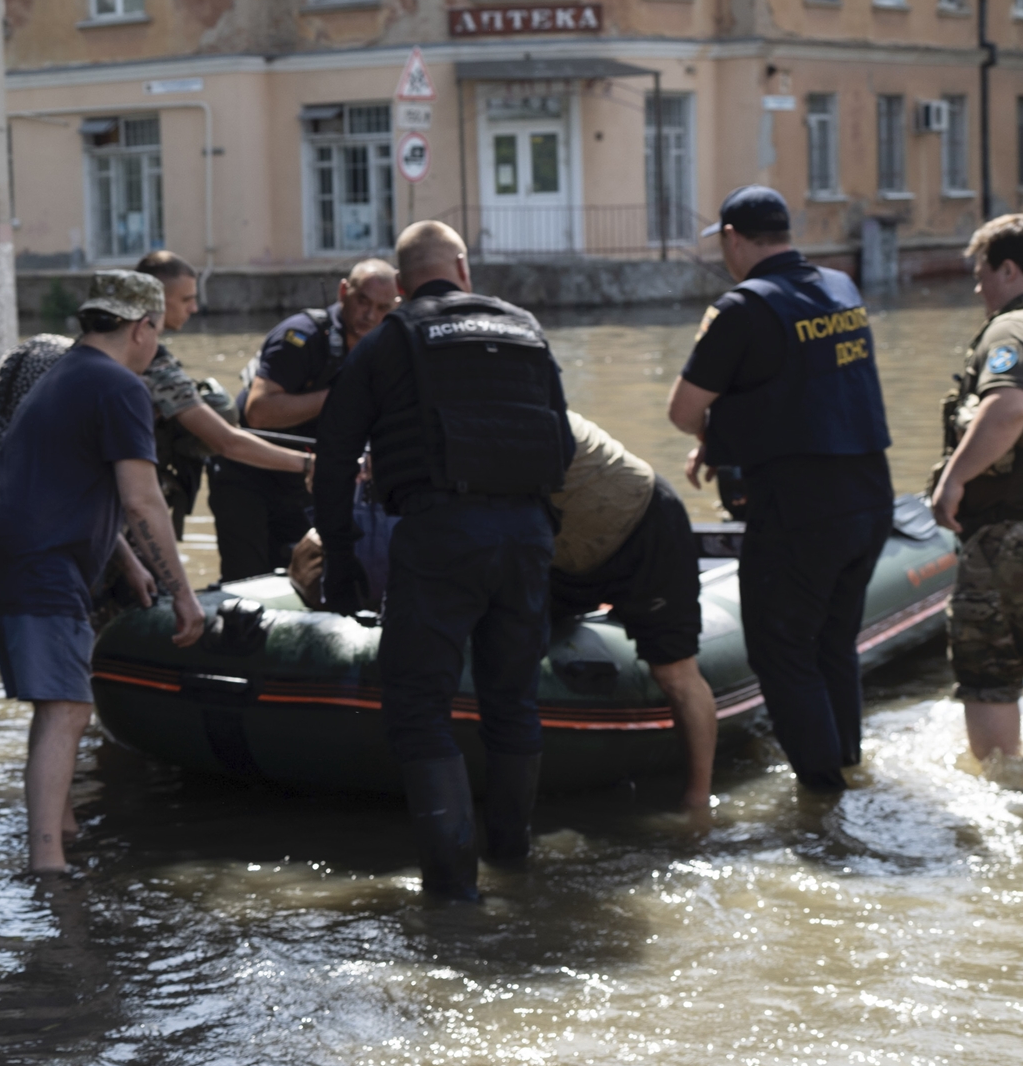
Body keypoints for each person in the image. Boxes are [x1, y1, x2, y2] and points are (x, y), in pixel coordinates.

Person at [314, 222, 574, 901]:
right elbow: (564, 443)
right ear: (463, 266)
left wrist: (339, 557)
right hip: (526, 534)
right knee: (513, 702)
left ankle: (453, 896)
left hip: (441, 534)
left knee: (418, 708)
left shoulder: (391, 338)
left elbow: (336, 453)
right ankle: (514, 865)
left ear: (399, 285)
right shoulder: (525, 328)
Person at [0, 270, 205, 873]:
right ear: (143, 327)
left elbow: (69, 477)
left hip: (2, 551)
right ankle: (49, 862)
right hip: (37, 561)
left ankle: (63, 827)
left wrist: (124, 559)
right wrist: (183, 594)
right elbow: (144, 499)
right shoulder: (121, 386)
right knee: (66, 707)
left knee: (64, 702)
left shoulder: (63, 372)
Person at [667, 184, 893, 795]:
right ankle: (847, 762)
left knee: (781, 652)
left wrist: (713, 436)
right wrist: (731, 436)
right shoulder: (841, 288)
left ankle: (823, 801)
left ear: (734, 240)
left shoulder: (742, 308)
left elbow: (683, 408)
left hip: (802, 511)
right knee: (831, 643)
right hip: (871, 499)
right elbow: (807, 386)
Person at [929, 208, 1023, 760]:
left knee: (989, 678)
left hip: (1018, 538)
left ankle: (1004, 797)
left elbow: (1010, 407)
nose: (978, 286)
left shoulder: (1019, 327)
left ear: (1010, 270)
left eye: (982, 272)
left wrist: (953, 481)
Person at [550, 412, 716, 815]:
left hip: (643, 527)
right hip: (564, 556)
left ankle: (698, 800)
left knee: (674, 672)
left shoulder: (528, 408)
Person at [208, 258, 398, 580]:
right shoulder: (301, 335)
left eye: (382, 308)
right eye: (363, 301)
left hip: (308, 479)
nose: (370, 315)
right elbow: (260, 411)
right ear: (343, 292)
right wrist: (339, 398)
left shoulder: (384, 348)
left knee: (305, 573)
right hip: (249, 475)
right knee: (249, 577)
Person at [132, 249, 317, 537]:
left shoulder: (106, 347)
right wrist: (309, 464)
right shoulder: (153, 364)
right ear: (155, 301)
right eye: (186, 299)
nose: (194, 308)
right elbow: (227, 442)